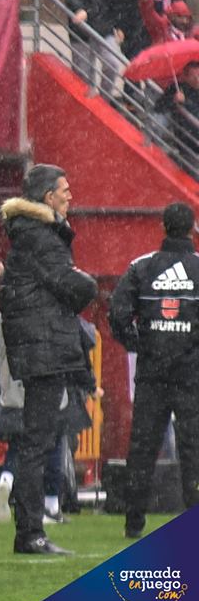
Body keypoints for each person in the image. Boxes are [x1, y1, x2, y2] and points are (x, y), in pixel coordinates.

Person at [0, 164, 97, 555]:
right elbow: (70, 284)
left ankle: (31, 528)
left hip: (39, 346)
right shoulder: (43, 237)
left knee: (35, 441)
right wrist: (87, 283)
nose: (70, 196)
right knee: (39, 442)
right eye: (64, 190)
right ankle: (30, 532)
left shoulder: (29, 235)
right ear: (47, 198)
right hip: (45, 349)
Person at [108, 201, 199, 539]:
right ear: (191, 229)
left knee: (142, 449)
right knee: (194, 450)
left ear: (163, 227)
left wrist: (138, 343)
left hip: (152, 375)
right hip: (191, 377)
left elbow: (117, 313)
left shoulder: (142, 267)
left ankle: (134, 522)